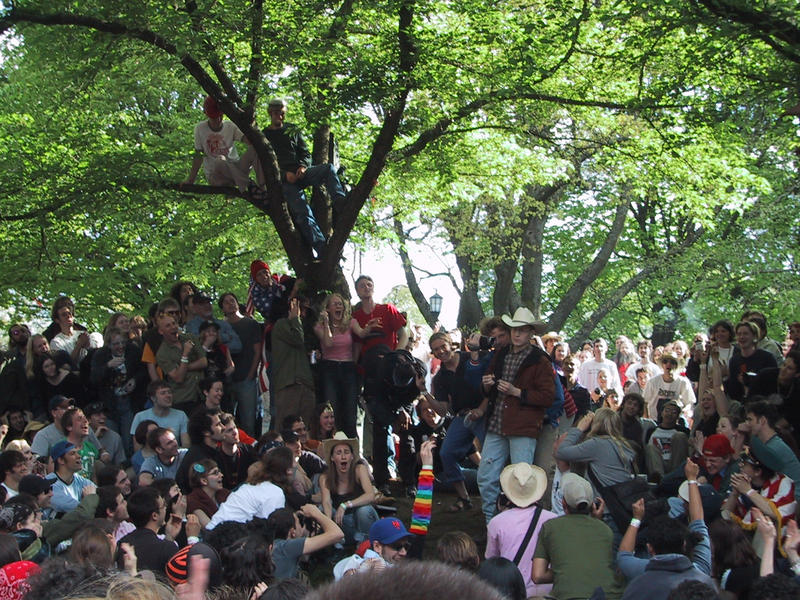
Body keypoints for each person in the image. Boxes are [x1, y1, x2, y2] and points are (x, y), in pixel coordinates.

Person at [477, 308, 556, 523]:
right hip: (497, 423)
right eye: (514, 329)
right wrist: (487, 385)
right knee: (486, 476)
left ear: (531, 333)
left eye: (522, 330)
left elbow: (548, 396)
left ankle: (520, 527)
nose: (517, 334)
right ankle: (492, 523)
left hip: (522, 426)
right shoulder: (501, 354)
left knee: (522, 482)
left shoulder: (540, 360)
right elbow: (487, 387)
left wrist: (518, 392)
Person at [262, 97, 348, 258]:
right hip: (285, 181)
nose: (279, 116)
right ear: (270, 113)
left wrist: (303, 166)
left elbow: (305, 153)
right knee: (303, 212)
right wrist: (284, 175)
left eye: (282, 113)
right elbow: (264, 164)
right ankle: (322, 248)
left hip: (301, 173)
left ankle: (340, 202)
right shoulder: (264, 136)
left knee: (328, 169)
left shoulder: (292, 130)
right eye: (276, 113)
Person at [618, 461, 714, 599]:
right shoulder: (701, 572)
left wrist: (636, 519)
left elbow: (624, 555)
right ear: (684, 544)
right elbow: (698, 521)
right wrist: (692, 479)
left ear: (650, 548)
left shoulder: (640, 576)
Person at [532, 472, 622, 599]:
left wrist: (564, 570)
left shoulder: (550, 527)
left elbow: (538, 575)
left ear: (563, 504)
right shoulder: (606, 530)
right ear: (592, 505)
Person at [554, 408, 636, 538]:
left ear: (595, 424)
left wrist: (579, 429)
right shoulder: (624, 445)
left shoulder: (597, 444)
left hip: (605, 511)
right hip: (623, 509)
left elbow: (561, 452)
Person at [431, 331, 488, 512]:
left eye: (443, 346)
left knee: (491, 456)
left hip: (485, 412)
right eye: (436, 349)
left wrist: (481, 409)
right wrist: (424, 392)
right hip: (462, 416)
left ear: (451, 344)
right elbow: (443, 410)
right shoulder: (440, 377)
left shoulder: (471, 358)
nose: (441, 351)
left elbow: (491, 386)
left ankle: (498, 498)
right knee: (446, 453)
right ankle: (464, 498)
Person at [486, 463, 556, 598]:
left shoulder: (496, 523)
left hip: (512, 591)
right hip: (546, 592)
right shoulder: (553, 519)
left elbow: (492, 560)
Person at [182, 95, 264, 199]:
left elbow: (249, 141)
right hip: (217, 176)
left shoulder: (230, 126)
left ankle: (263, 190)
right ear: (207, 115)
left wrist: (249, 124)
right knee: (220, 159)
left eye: (220, 116)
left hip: (236, 169)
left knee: (255, 149)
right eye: (214, 117)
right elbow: (198, 155)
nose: (218, 120)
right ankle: (248, 184)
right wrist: (191, 180)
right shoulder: (200, 128)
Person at [205, 446, 290, 530]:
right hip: (225, 534)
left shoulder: (252, 485)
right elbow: (272, 529)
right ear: (288, 470)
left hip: (214, 532)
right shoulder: (274, 493)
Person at [313, 293, 360, 438]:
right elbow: (328, 343)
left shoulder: (350, 323)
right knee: (332, 408)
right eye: (335, 304)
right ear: (327, 309)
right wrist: (327, 323)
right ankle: (332, 442)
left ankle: (351, 443)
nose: (339, 306)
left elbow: (361, 335)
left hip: (348, 367)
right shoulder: (319, 326)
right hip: (329, 368)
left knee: (350, 410)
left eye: (340, 304)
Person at [319, 432, 378, 546]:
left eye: (346, 452)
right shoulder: (325, 478)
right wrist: (329, 525)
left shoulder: (359, 469)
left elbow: (370, 495)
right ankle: (335, 545)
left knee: (363, 511)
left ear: (352, 456)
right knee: (322, 510)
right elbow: (326, 502)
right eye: (339, 453)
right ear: (332, 458)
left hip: (362, 521)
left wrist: (345, 505)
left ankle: (365, 546)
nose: (343, 456)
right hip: (343, 522)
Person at [219, 291, 263, 437]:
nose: (230, 304)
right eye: (226, 302)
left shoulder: (251, 324)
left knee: (248, 421)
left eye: (232, 300)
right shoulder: (220, 327)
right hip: (227, 381)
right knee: (226, 419)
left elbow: (257, 351)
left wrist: (251, 374)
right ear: (222, 308)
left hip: (247, 379)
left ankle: (249, 447)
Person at [271, 297, 316, 434]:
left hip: (305, 384)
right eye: (300, 309)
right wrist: (295, 318)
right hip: (289, 384)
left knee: (304, 429)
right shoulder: (281, 324)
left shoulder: (304, 328)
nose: (303, 313)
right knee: (286, 429)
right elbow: (297, 339)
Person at [742, 401, 800, 502]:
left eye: (750, 419)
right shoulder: (766, 444)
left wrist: (748, 434)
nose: (747, 424)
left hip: (794, 499)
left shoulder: (776, 447)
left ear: (762, 420)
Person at [266, 504, 344, 580]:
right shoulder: (288, 547)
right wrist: (317, 513)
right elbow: (337, 534)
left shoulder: (272, 545)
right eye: (299, 523)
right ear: (292, 532)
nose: (301, 526)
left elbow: (305, 558)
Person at [115, 486, 180, 574]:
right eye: (163, 505)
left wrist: (169, 537)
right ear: (154, 516)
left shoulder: (122, 544)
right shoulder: (167, 548)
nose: (165, 508)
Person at [333, 517, 414, 579]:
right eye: (397, 546)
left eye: (406, 546)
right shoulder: (358, 566)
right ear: (377, 546)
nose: (404, 552)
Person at [155, 316, 207, 412]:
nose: (173, 327)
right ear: (161, 331)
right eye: (168, 326)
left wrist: (182, 368)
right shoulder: (162, 354)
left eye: (174, 323)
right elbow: (179, 378)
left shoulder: (190, 338)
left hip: (202, 395)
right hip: (183, 400)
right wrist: (185, 354)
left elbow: (203, 362)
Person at [175, 408, 226, 493]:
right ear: (206, 432)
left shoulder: (216, 451)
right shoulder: (197, 459)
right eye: (218, 425)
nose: (223, 427)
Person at [726, 321, 777, 401]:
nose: (742, 337)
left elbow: (773, 385)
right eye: (739, 334)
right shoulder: (734, 360)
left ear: (754, 337)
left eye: (745, 334)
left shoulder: (767, 358)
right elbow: (733, 390)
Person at [130, 381, 190, 448]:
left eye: (169, 392)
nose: (168, 395)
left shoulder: (181, 415)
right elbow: (138, 447)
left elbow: (186, 445)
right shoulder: (140, 417)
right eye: (163, 393)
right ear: (153, 398)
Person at [643, 352, 696, 421]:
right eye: (665, 362)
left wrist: (683, 412)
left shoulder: (683, 382)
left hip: (675, 421)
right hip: (655, 420)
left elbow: (689, 402)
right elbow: (645, 402)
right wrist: (647, 419)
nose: (668, 364)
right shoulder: (652, 382)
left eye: (672, 362)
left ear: (676, 365)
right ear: (662, 365)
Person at [46, 441, 95, 514]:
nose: (79, 456)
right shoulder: (50, 483)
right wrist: (90, 499)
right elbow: (75, 509)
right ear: (61, 460)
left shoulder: (79, 479)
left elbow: (100, 494)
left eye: (77, 453)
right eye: (72, 453)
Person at [185, 459, 230, 528]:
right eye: (215, 473)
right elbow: (210, 528)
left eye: (219, 471)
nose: (221, 475)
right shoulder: (193, 501)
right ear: (204, 481)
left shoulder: (224, 493)